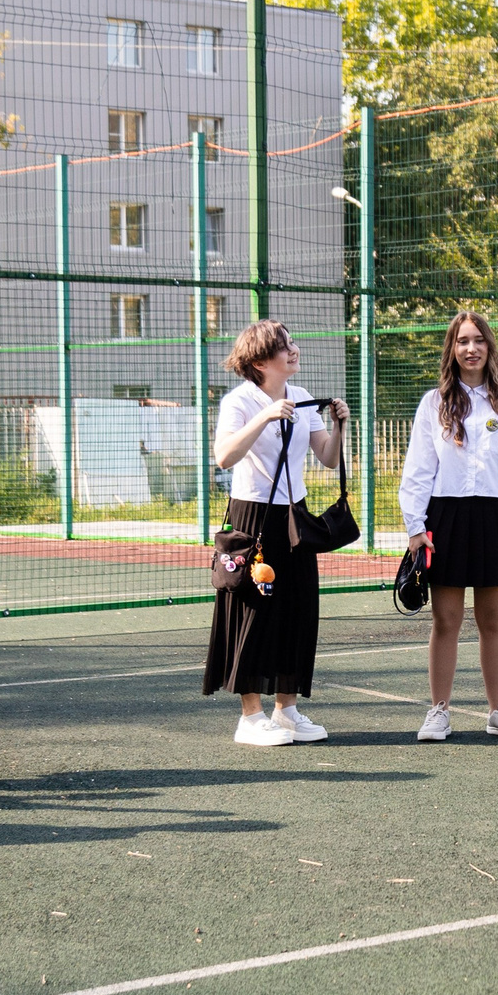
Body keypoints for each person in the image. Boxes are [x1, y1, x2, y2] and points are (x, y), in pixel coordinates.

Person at [399, 311, 498, 741]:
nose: (471, 348)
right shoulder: (434, 403)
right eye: (462, 341)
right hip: (447, 517)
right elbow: (419, 470)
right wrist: (414, 525)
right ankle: (438, 711)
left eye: (478, 340)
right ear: (452, 349)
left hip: (497, 518)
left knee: (492, 621)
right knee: (446, 621)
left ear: (489, 347)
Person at [204, 320, 345, 746]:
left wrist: (338, 426)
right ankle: (250, 717)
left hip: (293, 516)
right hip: (252, 516)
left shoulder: (301, 398)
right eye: (284, 347)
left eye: (292, 343)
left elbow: (328, 458)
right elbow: (225, 456)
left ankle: (288, 710)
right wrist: (264, 415)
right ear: (260, 361)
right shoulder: (240, 400)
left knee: (298, 610)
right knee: (251, 612)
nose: (294, 350)